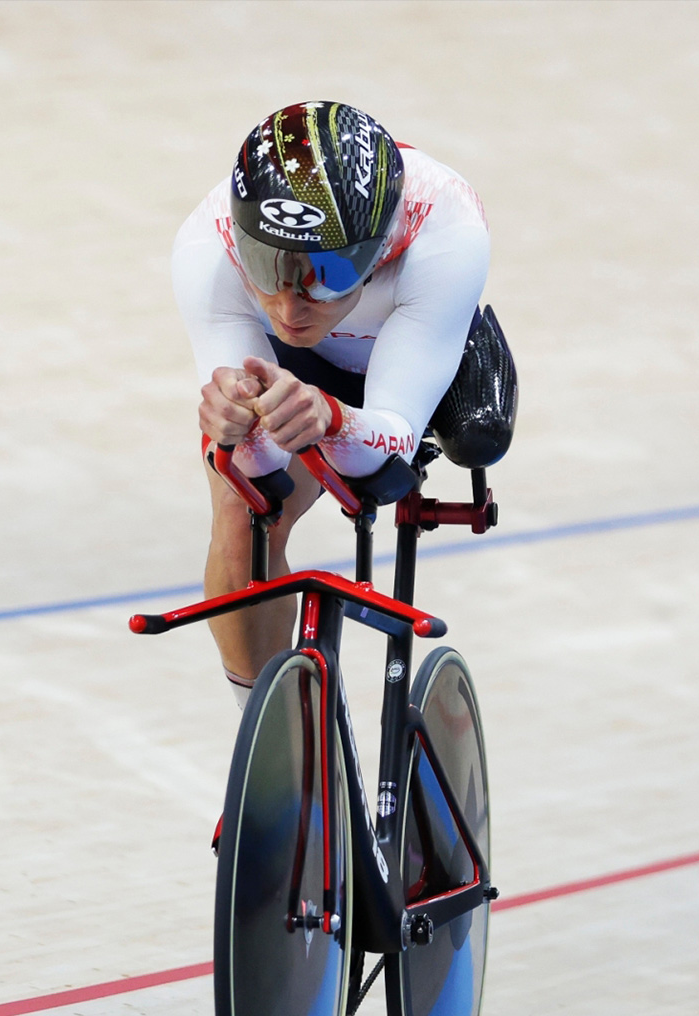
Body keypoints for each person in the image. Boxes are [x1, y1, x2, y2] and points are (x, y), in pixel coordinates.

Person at [172, 101, 513, 708]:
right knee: (244, 505)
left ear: (380, 245)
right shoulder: (207, 241)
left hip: (412, 348)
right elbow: (255, 466)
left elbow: (382, 455)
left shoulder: (445, 227)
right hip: (295, 369)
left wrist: (329, 416)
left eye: (328, 273)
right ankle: (268, 743)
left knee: (478, 435)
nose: (289, 309)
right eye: (265, 266)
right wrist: (233, 424)